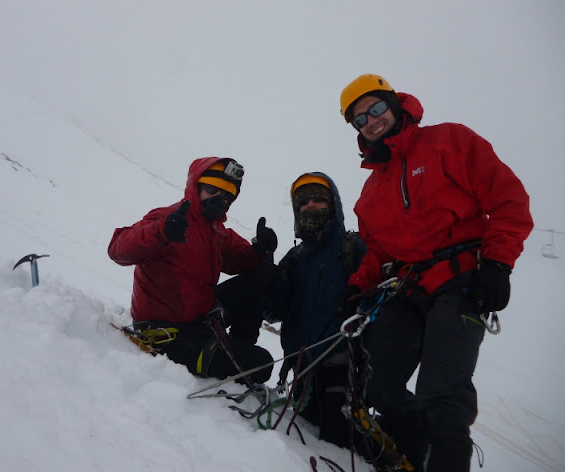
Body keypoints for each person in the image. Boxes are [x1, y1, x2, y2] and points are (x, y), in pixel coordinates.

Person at [338, 74, 534, 471]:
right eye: (360, 119)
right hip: (408, 288)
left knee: (442, 393)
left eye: (375, 109)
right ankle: (415, 452)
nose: (371, 122)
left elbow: (508, 196)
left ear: (393, 105)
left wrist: (497, 262)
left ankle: (445, 455)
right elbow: (377, 251)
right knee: (380, 384)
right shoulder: (370, 193)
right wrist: (357, 286)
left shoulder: (449, 141)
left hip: (460, 280)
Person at [108, 157, 278, 385]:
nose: (219, 199)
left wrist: (259, 250)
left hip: (200, 319)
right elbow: (118, 249)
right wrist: (161, 232)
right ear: (195, 187)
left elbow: (241, 260)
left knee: (257, 277)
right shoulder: (169, 218)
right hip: (166, 331)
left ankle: (235, 349)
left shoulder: (216, 231)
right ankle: (231, 359)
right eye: (211, 190)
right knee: (262, 364)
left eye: (226, 195)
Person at [262, 172, 366, 448]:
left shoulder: (353, 249)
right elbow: (273, 312)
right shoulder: (295, 259)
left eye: (318, 200)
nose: (310, 205)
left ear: (333, 204)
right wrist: (266, 276)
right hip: (302, 372)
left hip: (344, 371)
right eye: (303, 201)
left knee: (339, 438)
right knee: (305, 428)